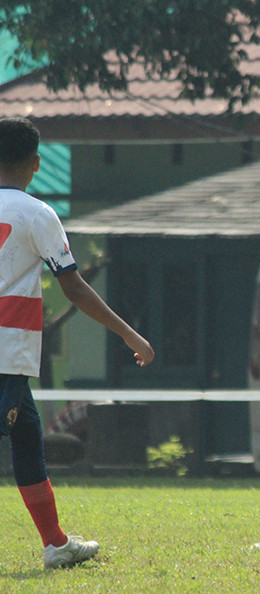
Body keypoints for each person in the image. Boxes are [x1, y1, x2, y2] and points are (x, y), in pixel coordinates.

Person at [0, 116, 155, 569]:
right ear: (36, 163)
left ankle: (55, 543)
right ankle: (55, 544)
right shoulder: (37, 214)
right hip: (8, 351)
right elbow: (74, 288)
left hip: (13, 359)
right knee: (23, 437)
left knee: (28, 439)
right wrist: (129, 332)